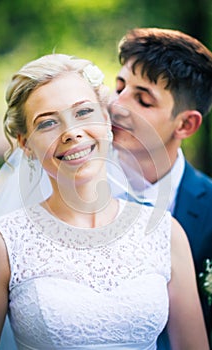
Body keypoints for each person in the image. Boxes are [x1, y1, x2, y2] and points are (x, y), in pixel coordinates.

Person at [0, 53, 209, 350]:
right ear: (25, 143)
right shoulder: (1, 243)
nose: (71, 132)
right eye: (47, 123)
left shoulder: (166, 233)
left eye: (84, 112)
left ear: (105, 117)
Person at [108, 27, 212, 348]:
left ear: (185, 124)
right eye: (120, 87)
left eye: (142, 99)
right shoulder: (68, 184)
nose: (116, 106)